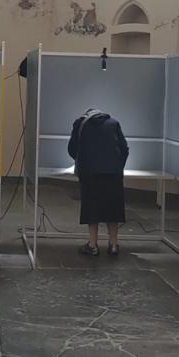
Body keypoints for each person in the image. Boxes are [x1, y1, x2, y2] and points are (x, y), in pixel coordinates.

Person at [68, 108, 129, 257]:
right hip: (113, 173)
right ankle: (113, 244)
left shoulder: (80, 123)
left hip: (90, 173)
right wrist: (117, 166)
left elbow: (72, 148)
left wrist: (82, 161)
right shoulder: (114, 123)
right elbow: (124, 148)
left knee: (92, 209)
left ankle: (93, 245)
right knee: (113, 209)